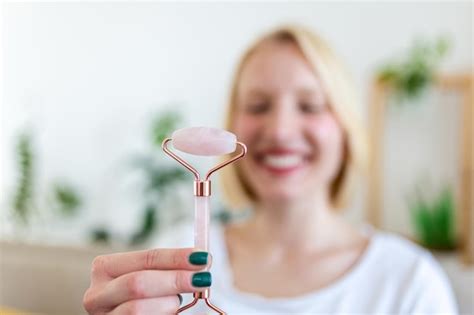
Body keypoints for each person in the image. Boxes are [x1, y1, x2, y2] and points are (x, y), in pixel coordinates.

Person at [83, 25, 458, 314]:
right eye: (259, 106)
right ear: (231, 127)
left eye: (310, 106)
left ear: (346, 131)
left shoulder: (407, 281)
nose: (279, 131)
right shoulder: (177, 255)